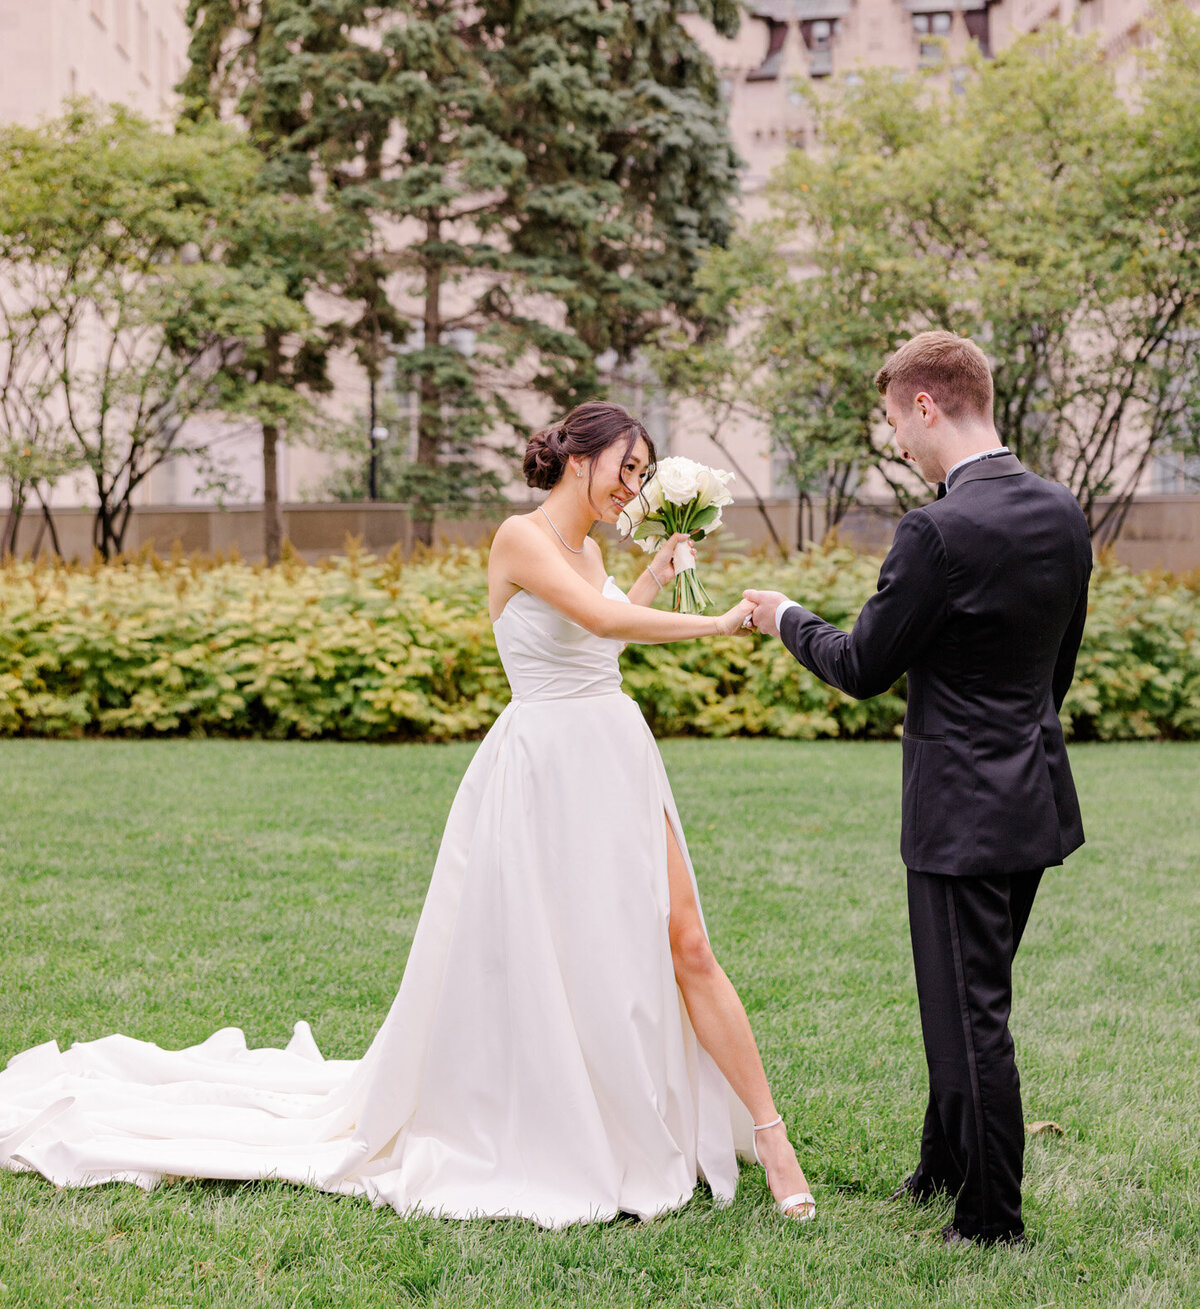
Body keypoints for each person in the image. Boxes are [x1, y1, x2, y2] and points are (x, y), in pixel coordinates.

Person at [0, 401, 815, 1229]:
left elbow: (601, 639)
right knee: (557, 956)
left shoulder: (591, 549)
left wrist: (658, 571)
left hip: (615, 753)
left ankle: (770, 1133)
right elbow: (597, 618)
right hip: (543, 768)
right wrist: (713, 620)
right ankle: (559, 1114)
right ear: (581, 458)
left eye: (645, 475)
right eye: (626, 469)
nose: (633, 487)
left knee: (685, 940)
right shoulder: (519, 537)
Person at [745, 331, 1091, 1249]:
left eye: (895, 420)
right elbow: (1057, 667)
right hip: (1033, 794)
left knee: (970, 1014)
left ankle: (991, 1220)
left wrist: (784, 614)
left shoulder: (936, 530)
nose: (895, 439)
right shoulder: (1061, 509)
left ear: (927, 406)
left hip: (960, 813)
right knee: (974, 995)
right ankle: (942, 1167)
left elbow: (861, 664)